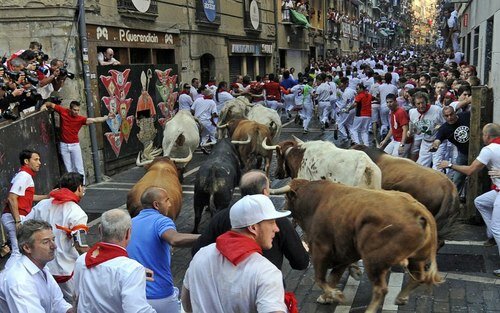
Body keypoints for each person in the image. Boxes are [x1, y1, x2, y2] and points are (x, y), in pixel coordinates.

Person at [182, 194, 290, 313]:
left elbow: (187, 301)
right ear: (253, 228)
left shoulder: (201, 255)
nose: (276, 228)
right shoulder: (267, 272)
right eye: (271, 222)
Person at [191, 170, 309, 271]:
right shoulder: (278, 221)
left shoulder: (220, 217)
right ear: (265, 192)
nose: (275, 228)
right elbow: (300, 263)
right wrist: (301, 248)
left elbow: (197, 251)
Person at [437, 123, 500, 277]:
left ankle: (494, 233)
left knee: (498, 227)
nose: (482, 137)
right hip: (497, 191)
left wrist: (450, 164)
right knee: (481, 202)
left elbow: (471, 170)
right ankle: (491, 236)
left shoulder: (489, 149)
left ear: (487, 136)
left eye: (483, 135)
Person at [127, 187, 200, 313]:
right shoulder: (161, 221)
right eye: (167, 200)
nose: (170, 204)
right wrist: (209, 237)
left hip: (134, 294)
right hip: (159, 296)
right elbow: (175, 239)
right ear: (156, 205)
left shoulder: (130, 223)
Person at [73, 209, 156, 312]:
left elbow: (77, 298)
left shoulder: (81, 261)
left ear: (100, 230)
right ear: (128, 233)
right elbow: (137, 310)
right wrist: (134, 275)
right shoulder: (131, 270)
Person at [25, 172, 89, 302]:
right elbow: (81, 246)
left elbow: (24, 226)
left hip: (42, 267)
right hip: (66, 270)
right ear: (79, 188)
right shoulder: (76, 213)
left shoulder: (43, 204)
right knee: (76, 303)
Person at [0, 220, 73, 313]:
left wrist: (71, 310)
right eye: (46, 242)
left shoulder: (41, 266)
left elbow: (57, 302)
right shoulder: (20, 281)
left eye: (53, 239)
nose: (54, 246)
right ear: (27, 248)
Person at [41, 101, 115, 184]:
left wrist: (107, 117)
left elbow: (94, 120)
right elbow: (50, 104)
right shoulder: (63, 111)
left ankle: (82, 186)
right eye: (74, 110)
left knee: (79, 167)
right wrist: (44, 106)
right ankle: (72, 186)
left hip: (74, 145)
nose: (76, 112)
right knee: (68, 168)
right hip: (64, 145)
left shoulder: (80, 119)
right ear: (70, 109)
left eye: (78, 110)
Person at [2, 149, 50, 269]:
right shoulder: (24, 175)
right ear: (26, 161)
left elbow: (26, 196)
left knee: (21, 249)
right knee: (18, 251)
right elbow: (12, 198)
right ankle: (6, 278)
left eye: (39, 159)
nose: (39, 162)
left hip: (14, 216)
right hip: (15, 217)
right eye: (36, 159)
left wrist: (47, 196)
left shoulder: (23, 175)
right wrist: (17, 221)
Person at [408, 91, 445, 169]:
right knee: (421, 167)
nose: (421, 106)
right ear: (414, 104)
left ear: (426, 101)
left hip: (438, 142)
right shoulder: (412, 113)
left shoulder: (437, 110)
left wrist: (440, 127)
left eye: (423, 102)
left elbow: (446, 124)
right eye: (418, 104)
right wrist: (411, 131)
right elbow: (417, 131)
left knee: (437, 168)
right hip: (425, 142)